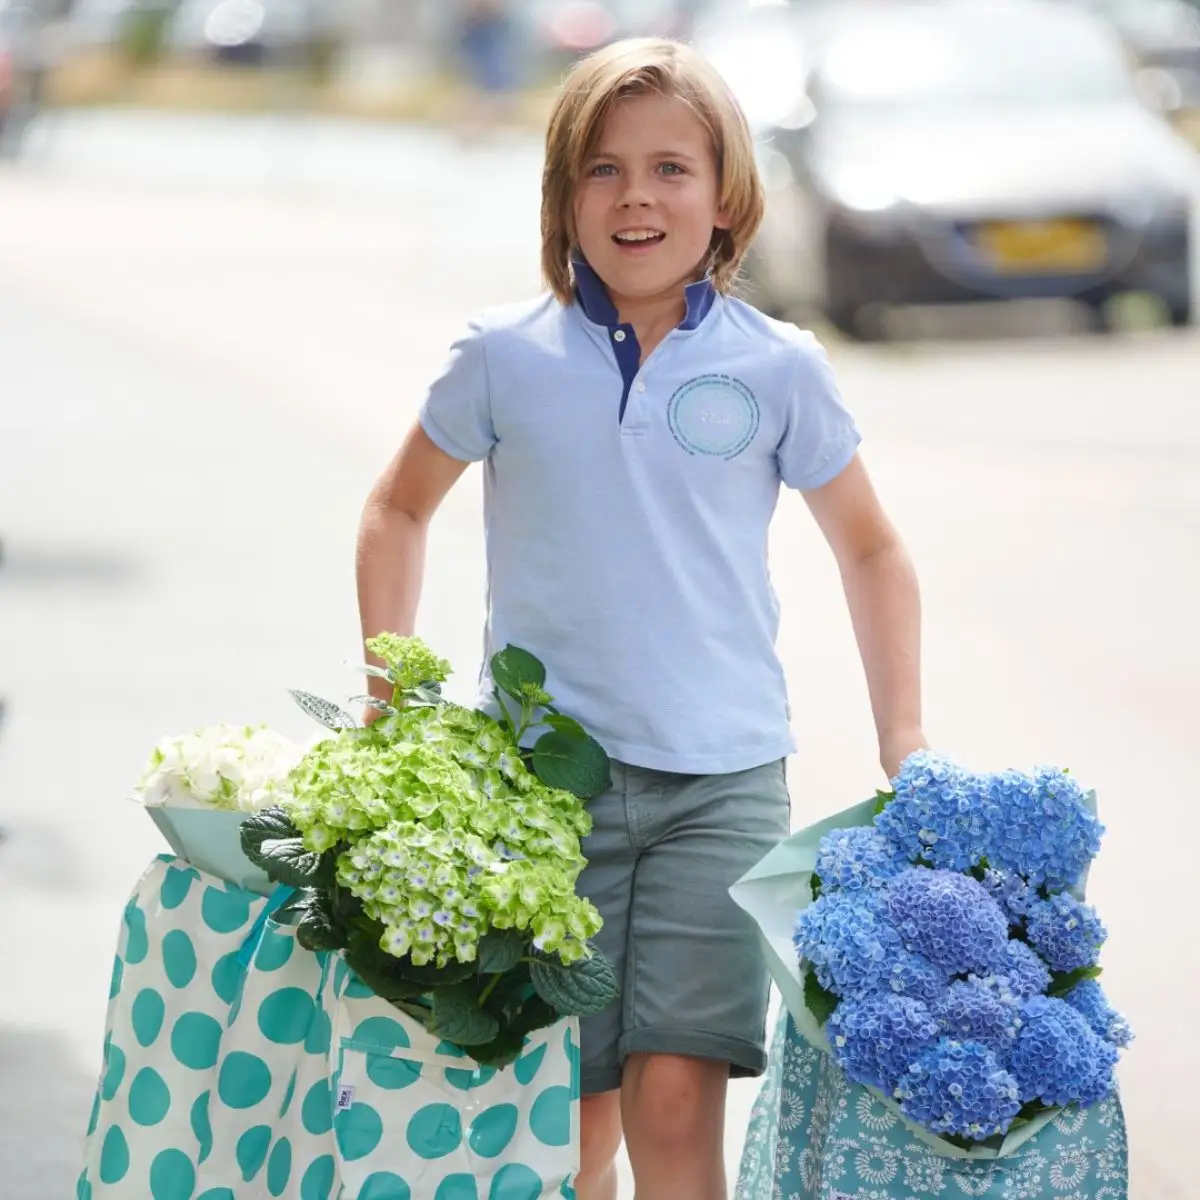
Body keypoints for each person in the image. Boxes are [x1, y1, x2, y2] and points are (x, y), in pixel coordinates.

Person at [355, 37, 926, 1200]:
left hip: (721, 784)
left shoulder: (780, 369)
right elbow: (394, 510)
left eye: (672, 167)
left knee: (675, 1101)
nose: (636, 197)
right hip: (536, 788)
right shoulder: (502, 357)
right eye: (603, 169)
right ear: (564, 195)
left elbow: (871, 545)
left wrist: (901, 735)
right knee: (572, 1120)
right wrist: (391, 695)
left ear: (727, 196)